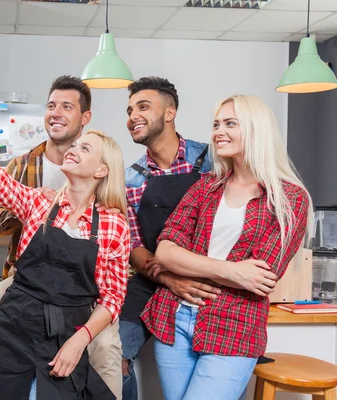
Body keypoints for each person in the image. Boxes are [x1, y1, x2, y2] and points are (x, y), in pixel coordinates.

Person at [0, 58, 130, 399]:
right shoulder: (39, 201)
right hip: (23, 300)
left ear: (102, 171)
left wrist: (81, 338)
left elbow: (112, 296)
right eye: (51, 105)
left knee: (107, 356)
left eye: (84, 148)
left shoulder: (112, 224)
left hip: (77, 310)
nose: (73, 151)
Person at [140, 95, 313, 400]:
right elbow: (165, 251)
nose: (218, 131)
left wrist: (189, 262)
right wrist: (232, 271)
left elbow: (261, 276)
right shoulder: (206, 186)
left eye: (230, 123)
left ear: (256, 129)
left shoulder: (289, 199)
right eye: (217, 124)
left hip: (234, 326)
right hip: (174, 319)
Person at [118, 77, 219, 399]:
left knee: (215, 364)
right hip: (151, 279)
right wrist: (170, 278)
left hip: (211, 277)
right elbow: (134, 246)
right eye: (130, 109)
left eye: (143, 106)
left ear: (170, 112)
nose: (133, 115)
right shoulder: (130, 177)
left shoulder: (213, 162)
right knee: (111, 355)